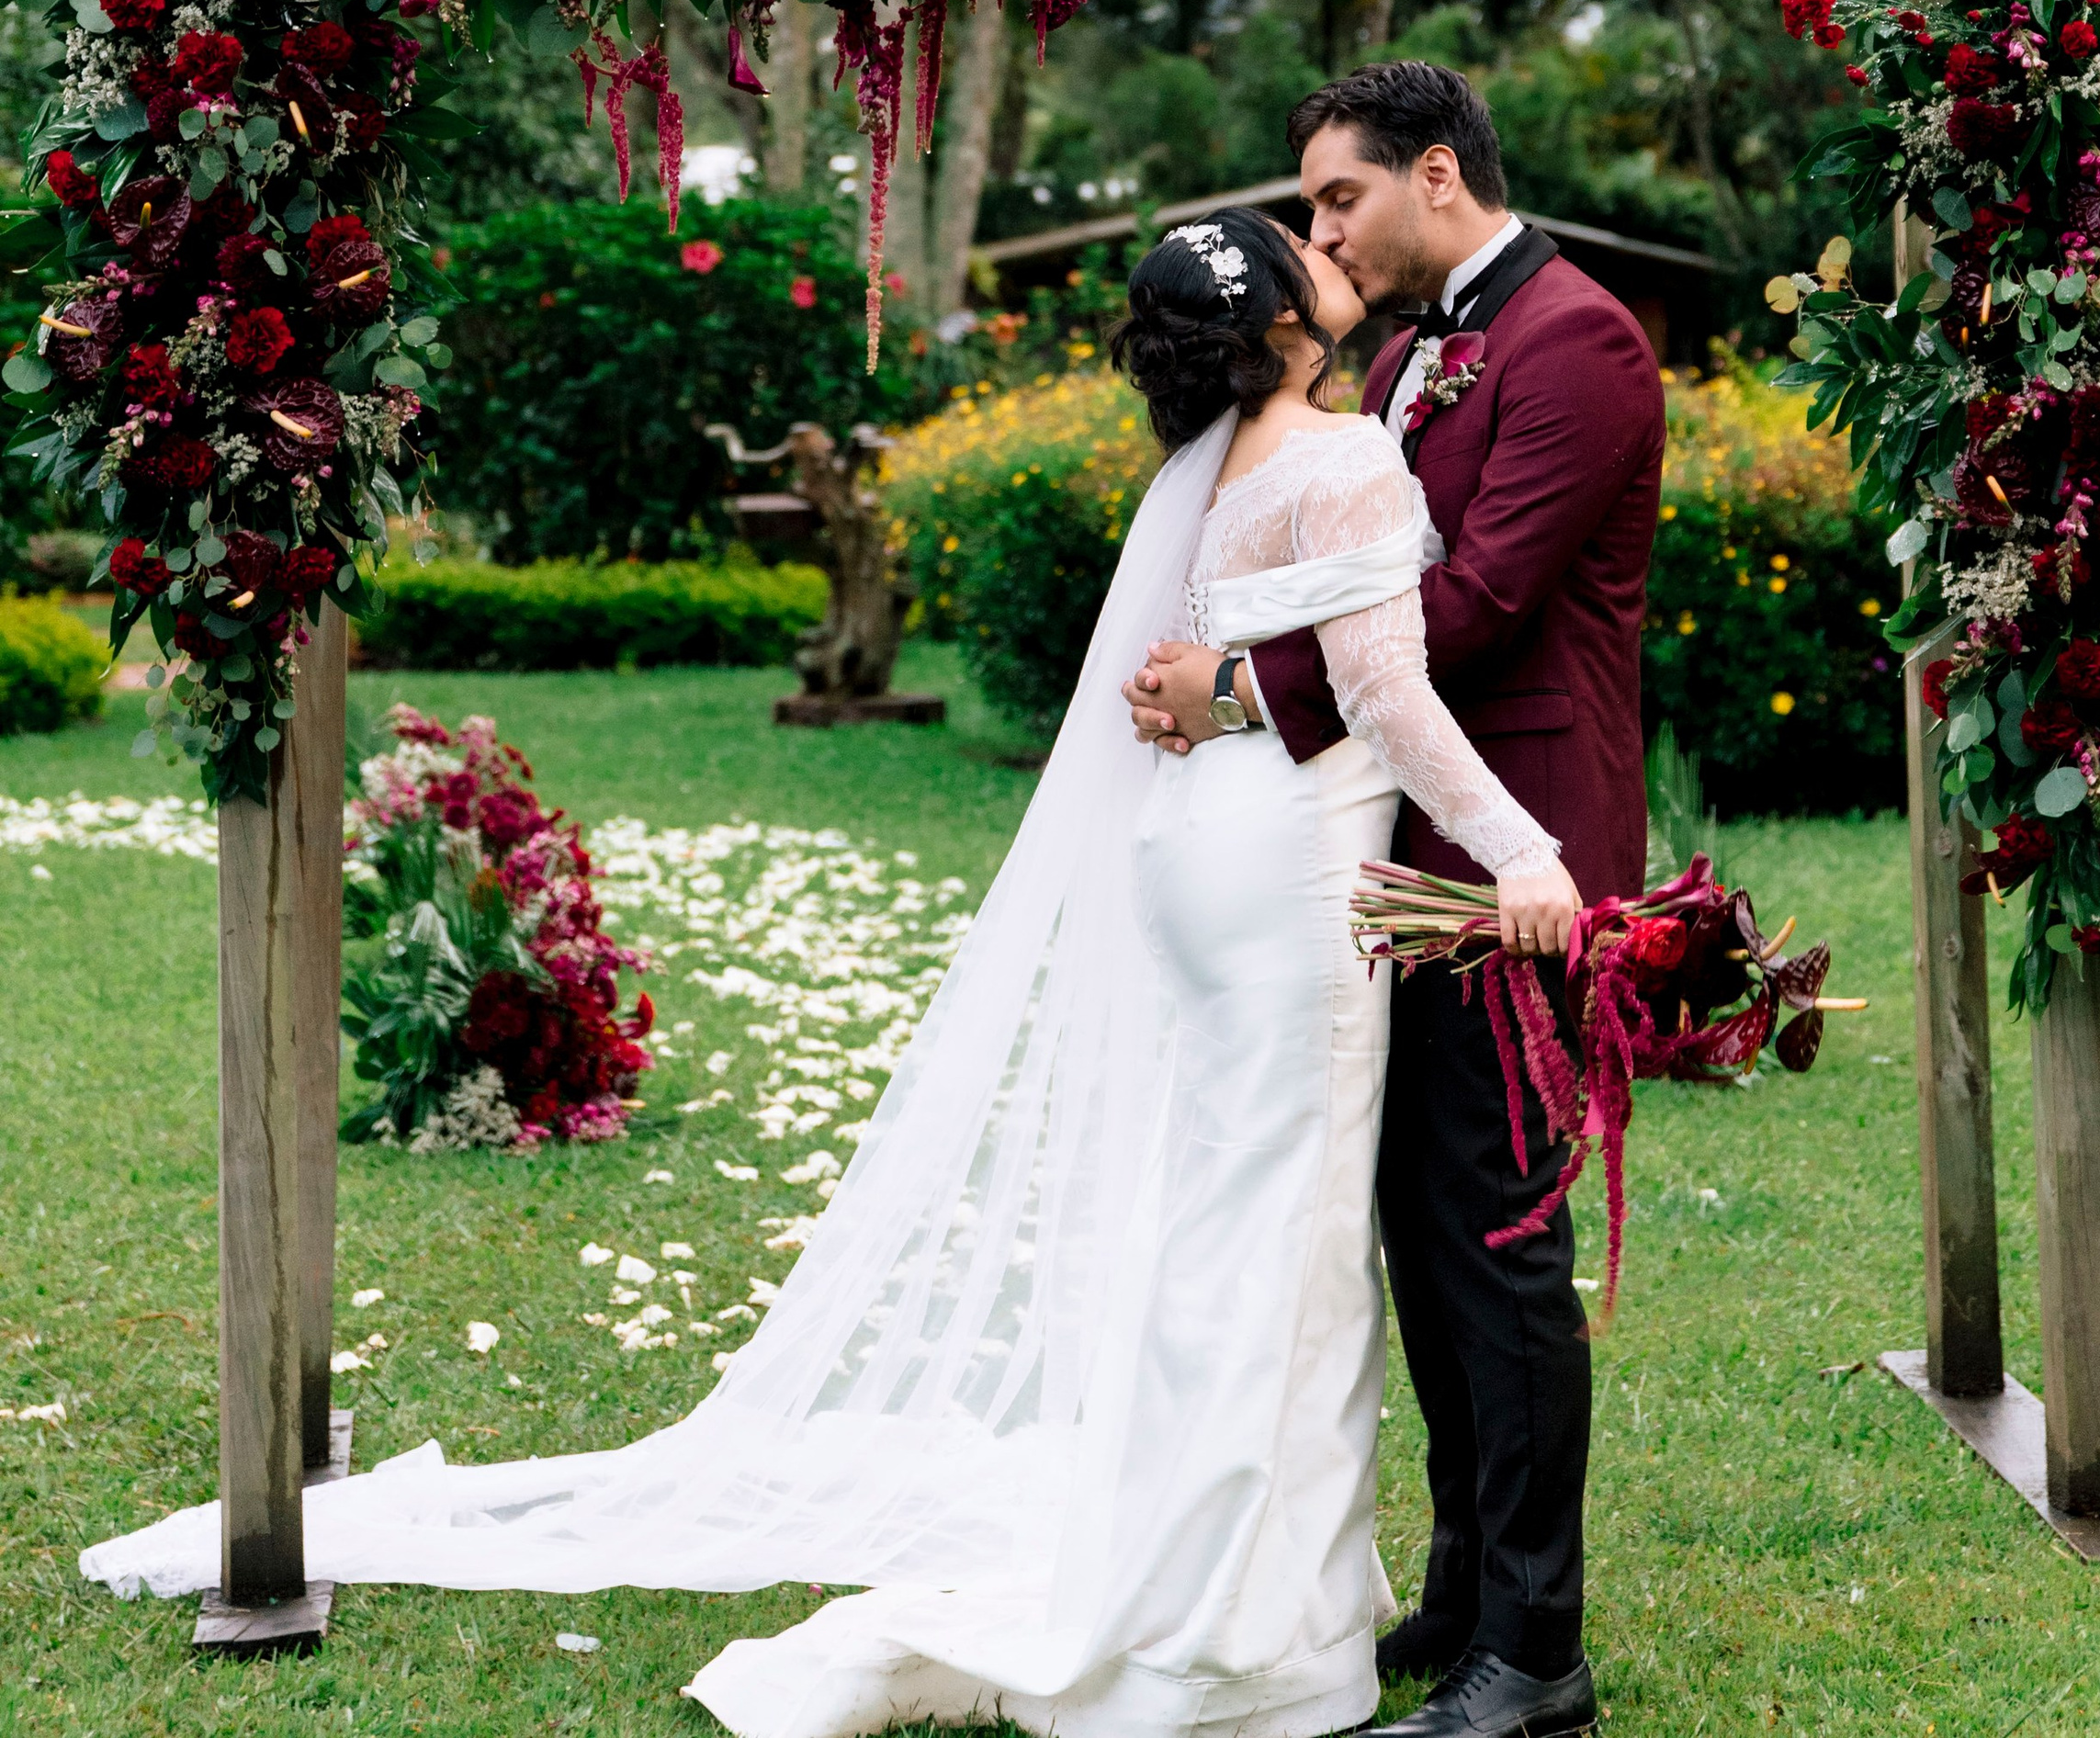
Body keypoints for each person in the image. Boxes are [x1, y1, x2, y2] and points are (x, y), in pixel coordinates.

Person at [82, 198, 1586, 1738]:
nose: (1335, 262)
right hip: (1288, 881)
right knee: (1290, 1254)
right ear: (1278, 325)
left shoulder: (1210, 478)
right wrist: (1525, 852)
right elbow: (1388, 698)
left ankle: (1244, 1589)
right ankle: (1245, 1631)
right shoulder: (1339, 458)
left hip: (1203, 858)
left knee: (1213, 1231)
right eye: (1308, 257)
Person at [1126, 63, 1663, 1738]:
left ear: (1437, 173)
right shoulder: (1423, 344)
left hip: (1518, 848)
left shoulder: (1582, 341)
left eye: (1338, 198)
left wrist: (1232, 685)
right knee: (1425, 1247)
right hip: (1393, 855)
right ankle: (1465, 1585)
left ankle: (1542, 1649)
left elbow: (1479, 604)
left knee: (1501, 1245)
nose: (1319, 230)